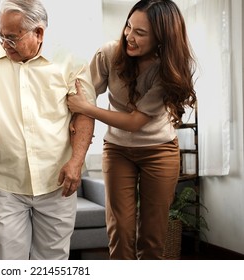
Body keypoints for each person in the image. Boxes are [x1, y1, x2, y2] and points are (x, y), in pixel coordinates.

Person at [0, 0, 96, 260]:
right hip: (8, 180)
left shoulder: (70, 62)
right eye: (0, 35)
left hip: (56, 180)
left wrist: (77, 161)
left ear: (39, 33)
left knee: (52, 259)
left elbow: (84, 115)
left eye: (12, 37)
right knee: (7, 259)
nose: (4, 43)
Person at [67, 0, 197, 259]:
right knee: (120, 232)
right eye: (129, 26)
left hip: (159, 151)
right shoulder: (109, 54)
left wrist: (88, 108)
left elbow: (135, 122)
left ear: (162, 38)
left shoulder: (166, 69)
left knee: (152, 238)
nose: (129, 36)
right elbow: (84, 94)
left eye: (140, 32)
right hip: (118, 151)